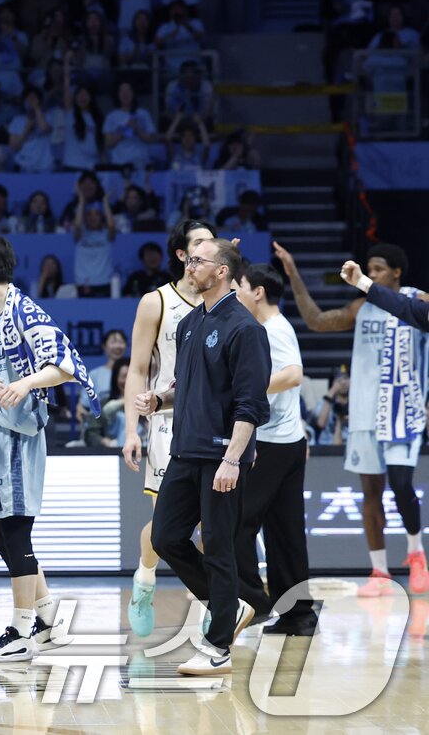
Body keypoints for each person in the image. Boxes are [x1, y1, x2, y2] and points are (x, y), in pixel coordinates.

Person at [0, 235, 98, 663]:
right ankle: (48, 617)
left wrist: (26, 383)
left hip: (20, 436)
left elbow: (68, 367)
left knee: (16, 529)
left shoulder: (26, 312)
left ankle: (20, 630)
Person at [141, 238, 269, 676]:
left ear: (222, 272)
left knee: (218, 546)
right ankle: (227, 604)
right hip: (184, 451)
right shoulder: (192, 322)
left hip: (222, 456)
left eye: (198, 261)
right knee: (165, 537)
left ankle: (218, 646)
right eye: (190, 259)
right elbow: (188, 384)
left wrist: (232, 459)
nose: (189, 267)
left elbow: (250, 405)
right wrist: (160, 400)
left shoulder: (245, 328)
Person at [275, 241, 429, 596]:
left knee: (403, 485)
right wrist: (294, 274)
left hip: (403, 409)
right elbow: (314, 320)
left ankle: (415, 552)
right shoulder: (361, 307)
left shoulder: (417, 300)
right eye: (368, 269)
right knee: (370, 493)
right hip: (364, 411)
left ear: (396, 272)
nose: (371, 274)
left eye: (377, 269)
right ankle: (379, 572)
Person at [120, 219, 213, 637]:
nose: (206, 251)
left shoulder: (226, 301)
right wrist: (130, 430)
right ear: (181, 255)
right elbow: (138, 369)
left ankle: (213, 605)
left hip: (214, 422)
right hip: (166, 422)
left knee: (214, 523)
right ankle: (144, 579)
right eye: (197, 244)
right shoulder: (156, 301)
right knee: (168, 526)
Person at [233, 262, 317, 636]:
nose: (236, 295)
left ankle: (254, 602)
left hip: (270, 445)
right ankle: (298, 614)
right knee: (285, 531)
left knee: (237, 522)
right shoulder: (271, 328)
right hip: (288, 443)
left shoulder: (273, 329)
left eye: (240, 288)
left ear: (259, 292)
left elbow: (293, 374)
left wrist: (248, 388)